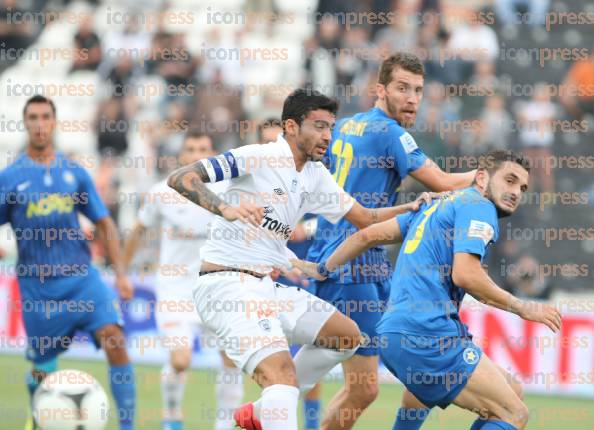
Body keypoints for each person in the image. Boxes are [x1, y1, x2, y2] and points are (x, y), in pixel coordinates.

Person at [166, 88, 436, 430]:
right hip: (227, 288)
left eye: (331, 127)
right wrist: (225, 207)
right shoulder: (258, 156)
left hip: (265, 285)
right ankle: (275, 402)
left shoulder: (315, 174)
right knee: (281, 378)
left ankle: (264, 411)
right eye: (319, 126)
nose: (328, 136)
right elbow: (180, 178)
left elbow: (366, 219)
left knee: (347, 336)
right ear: (291, 127)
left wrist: (411, 208)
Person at [293, 150, 562, 430]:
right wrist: (522, 306)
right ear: (481, 178)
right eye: (509, 180)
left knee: (508, 390)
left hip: (395, 333)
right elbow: (466, 274)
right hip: (427, 334)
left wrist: (323, 267)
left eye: (522, 187)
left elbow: (367, 235)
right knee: (513, 414)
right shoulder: (479, 206)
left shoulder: (436, 205)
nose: (516, 192)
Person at [305, 52, 476, 430]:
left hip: (356, 259)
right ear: (380, 89)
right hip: (352, 266)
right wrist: (489, 175)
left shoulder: (348, 125)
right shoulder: (391, 133)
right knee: (364, 387)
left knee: (414, 368)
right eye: (402, 88)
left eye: (418, 90)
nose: (412, 98)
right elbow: (444, 182)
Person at [0, 95, 136, 430]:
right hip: (38, 287)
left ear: (55, 121)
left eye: (46, 116)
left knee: (115, 340)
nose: (39, 123)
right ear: (26, 122)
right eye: (32, 117)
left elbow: (104, 223)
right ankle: (40, 419)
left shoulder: (74, 174)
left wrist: (120, 275)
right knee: (42, 370)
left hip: (82, 279)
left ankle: (128, 427)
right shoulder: (10, 178)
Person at [122, 131, 243, 430]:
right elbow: (138, 230)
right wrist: (122, 271)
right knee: (180, 360)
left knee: (231, 359)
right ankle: (171, 417)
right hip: (175, 291)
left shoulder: (229, 191)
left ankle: (224, 424)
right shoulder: (162, 192)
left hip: (217, 291)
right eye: (191, 148)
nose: (197, 154)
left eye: (203, 148)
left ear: (212, 154)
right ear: (182, 156)